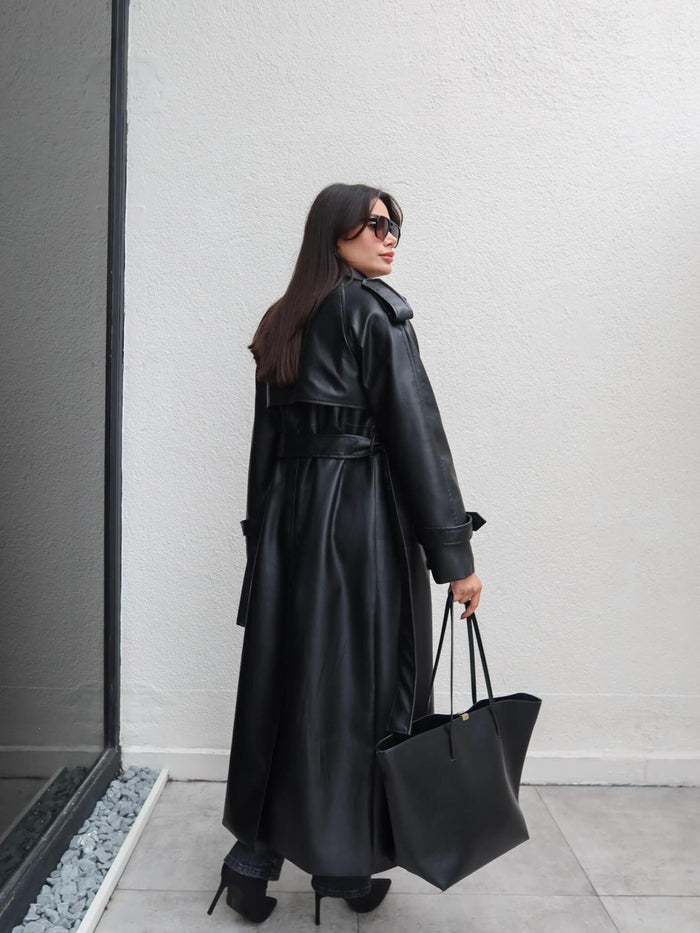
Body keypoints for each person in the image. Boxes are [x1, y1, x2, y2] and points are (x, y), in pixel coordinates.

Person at [207, 183, 485, 925]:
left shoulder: (283, 318)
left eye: (395, 226)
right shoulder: (374, 312)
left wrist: (262, 547)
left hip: (290, 529)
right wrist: (454, 555)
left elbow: (265, 449)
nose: (390, 237)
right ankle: (345, 864)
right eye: (375, 224)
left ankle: (254, 863)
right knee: (365, 695)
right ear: (335, 234)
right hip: (360, 526)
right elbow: (417, 435)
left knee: (285, 689)